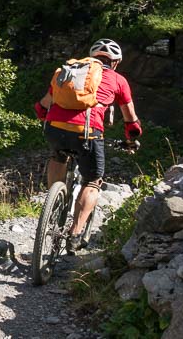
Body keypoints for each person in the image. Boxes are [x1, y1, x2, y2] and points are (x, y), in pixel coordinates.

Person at [33, 38, 142, 251]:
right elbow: (132, 122)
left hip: (54, 128)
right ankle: (75, 234)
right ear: (116, 62)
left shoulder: (66, 72)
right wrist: (130, 140)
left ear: (92, 57)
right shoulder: (118, 80)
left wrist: (52, 118)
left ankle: (54, 203)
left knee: (58, 156)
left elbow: (42, 106)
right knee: (92, 181)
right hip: (87, 132)